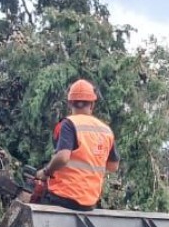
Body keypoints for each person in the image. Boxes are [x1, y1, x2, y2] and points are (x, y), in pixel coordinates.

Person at [33, 79, 120, 211]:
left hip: (62, 198)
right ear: (92, 104)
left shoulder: (69, 124)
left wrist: (46, 172)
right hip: (89, 202)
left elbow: (62, 157)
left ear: (70, 103)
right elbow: (113, 166)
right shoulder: (106, 130)